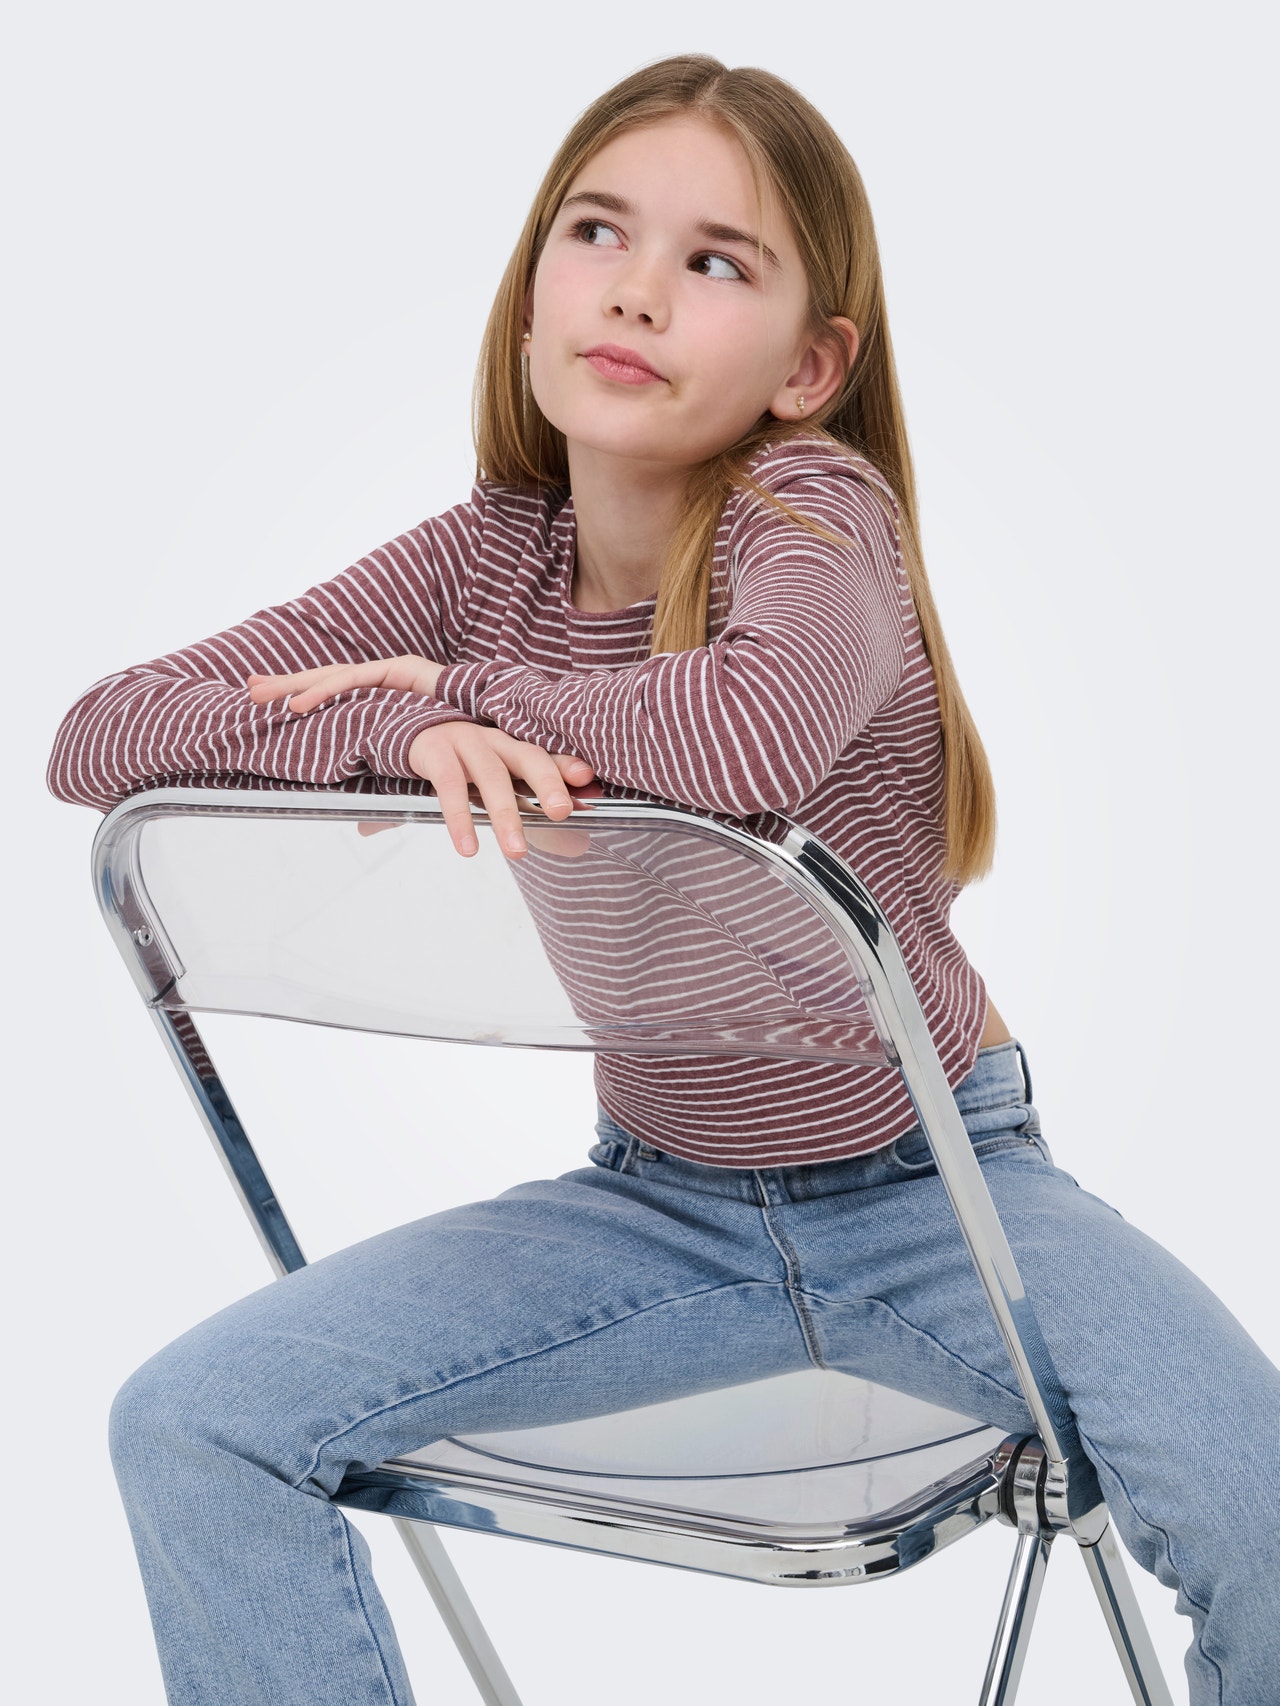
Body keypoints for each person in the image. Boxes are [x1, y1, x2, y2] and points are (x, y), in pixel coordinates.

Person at [48, 53, 1279, 1706]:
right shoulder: (488, 555)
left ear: (808, 364)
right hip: (656, 1204)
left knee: (1264, 1505)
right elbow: (103, 732)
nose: (636, 289)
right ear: (531, 294)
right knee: (194, 1421)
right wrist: (396, 735)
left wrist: (461, 697)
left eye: (715, 261)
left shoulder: (815, 507)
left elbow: (751, 729)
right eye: (596, 232)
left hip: (940, 1193)